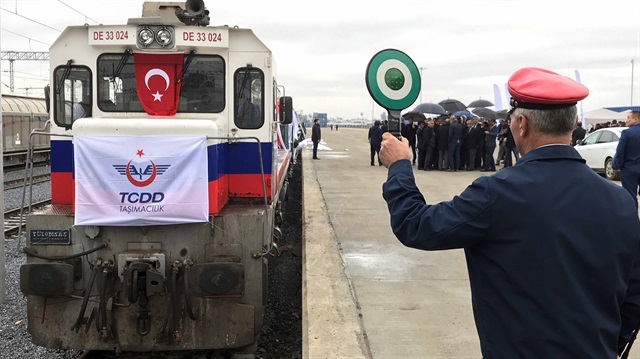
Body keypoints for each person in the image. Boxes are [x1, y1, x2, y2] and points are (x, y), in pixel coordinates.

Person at [378, 67, 640, 359]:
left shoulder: (497, 194)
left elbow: (416, 225)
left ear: (522, 124)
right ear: (573, 122)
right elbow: (634, 293)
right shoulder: (622, 201)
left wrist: (399, 167)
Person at [613, 110, 640, 208]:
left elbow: (620, 152)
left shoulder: (627, 133)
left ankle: (634, 221)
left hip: (629, 169)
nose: (626, 120)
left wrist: (619, 165)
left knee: (630, 197)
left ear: (636, 119)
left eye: (628, 117)